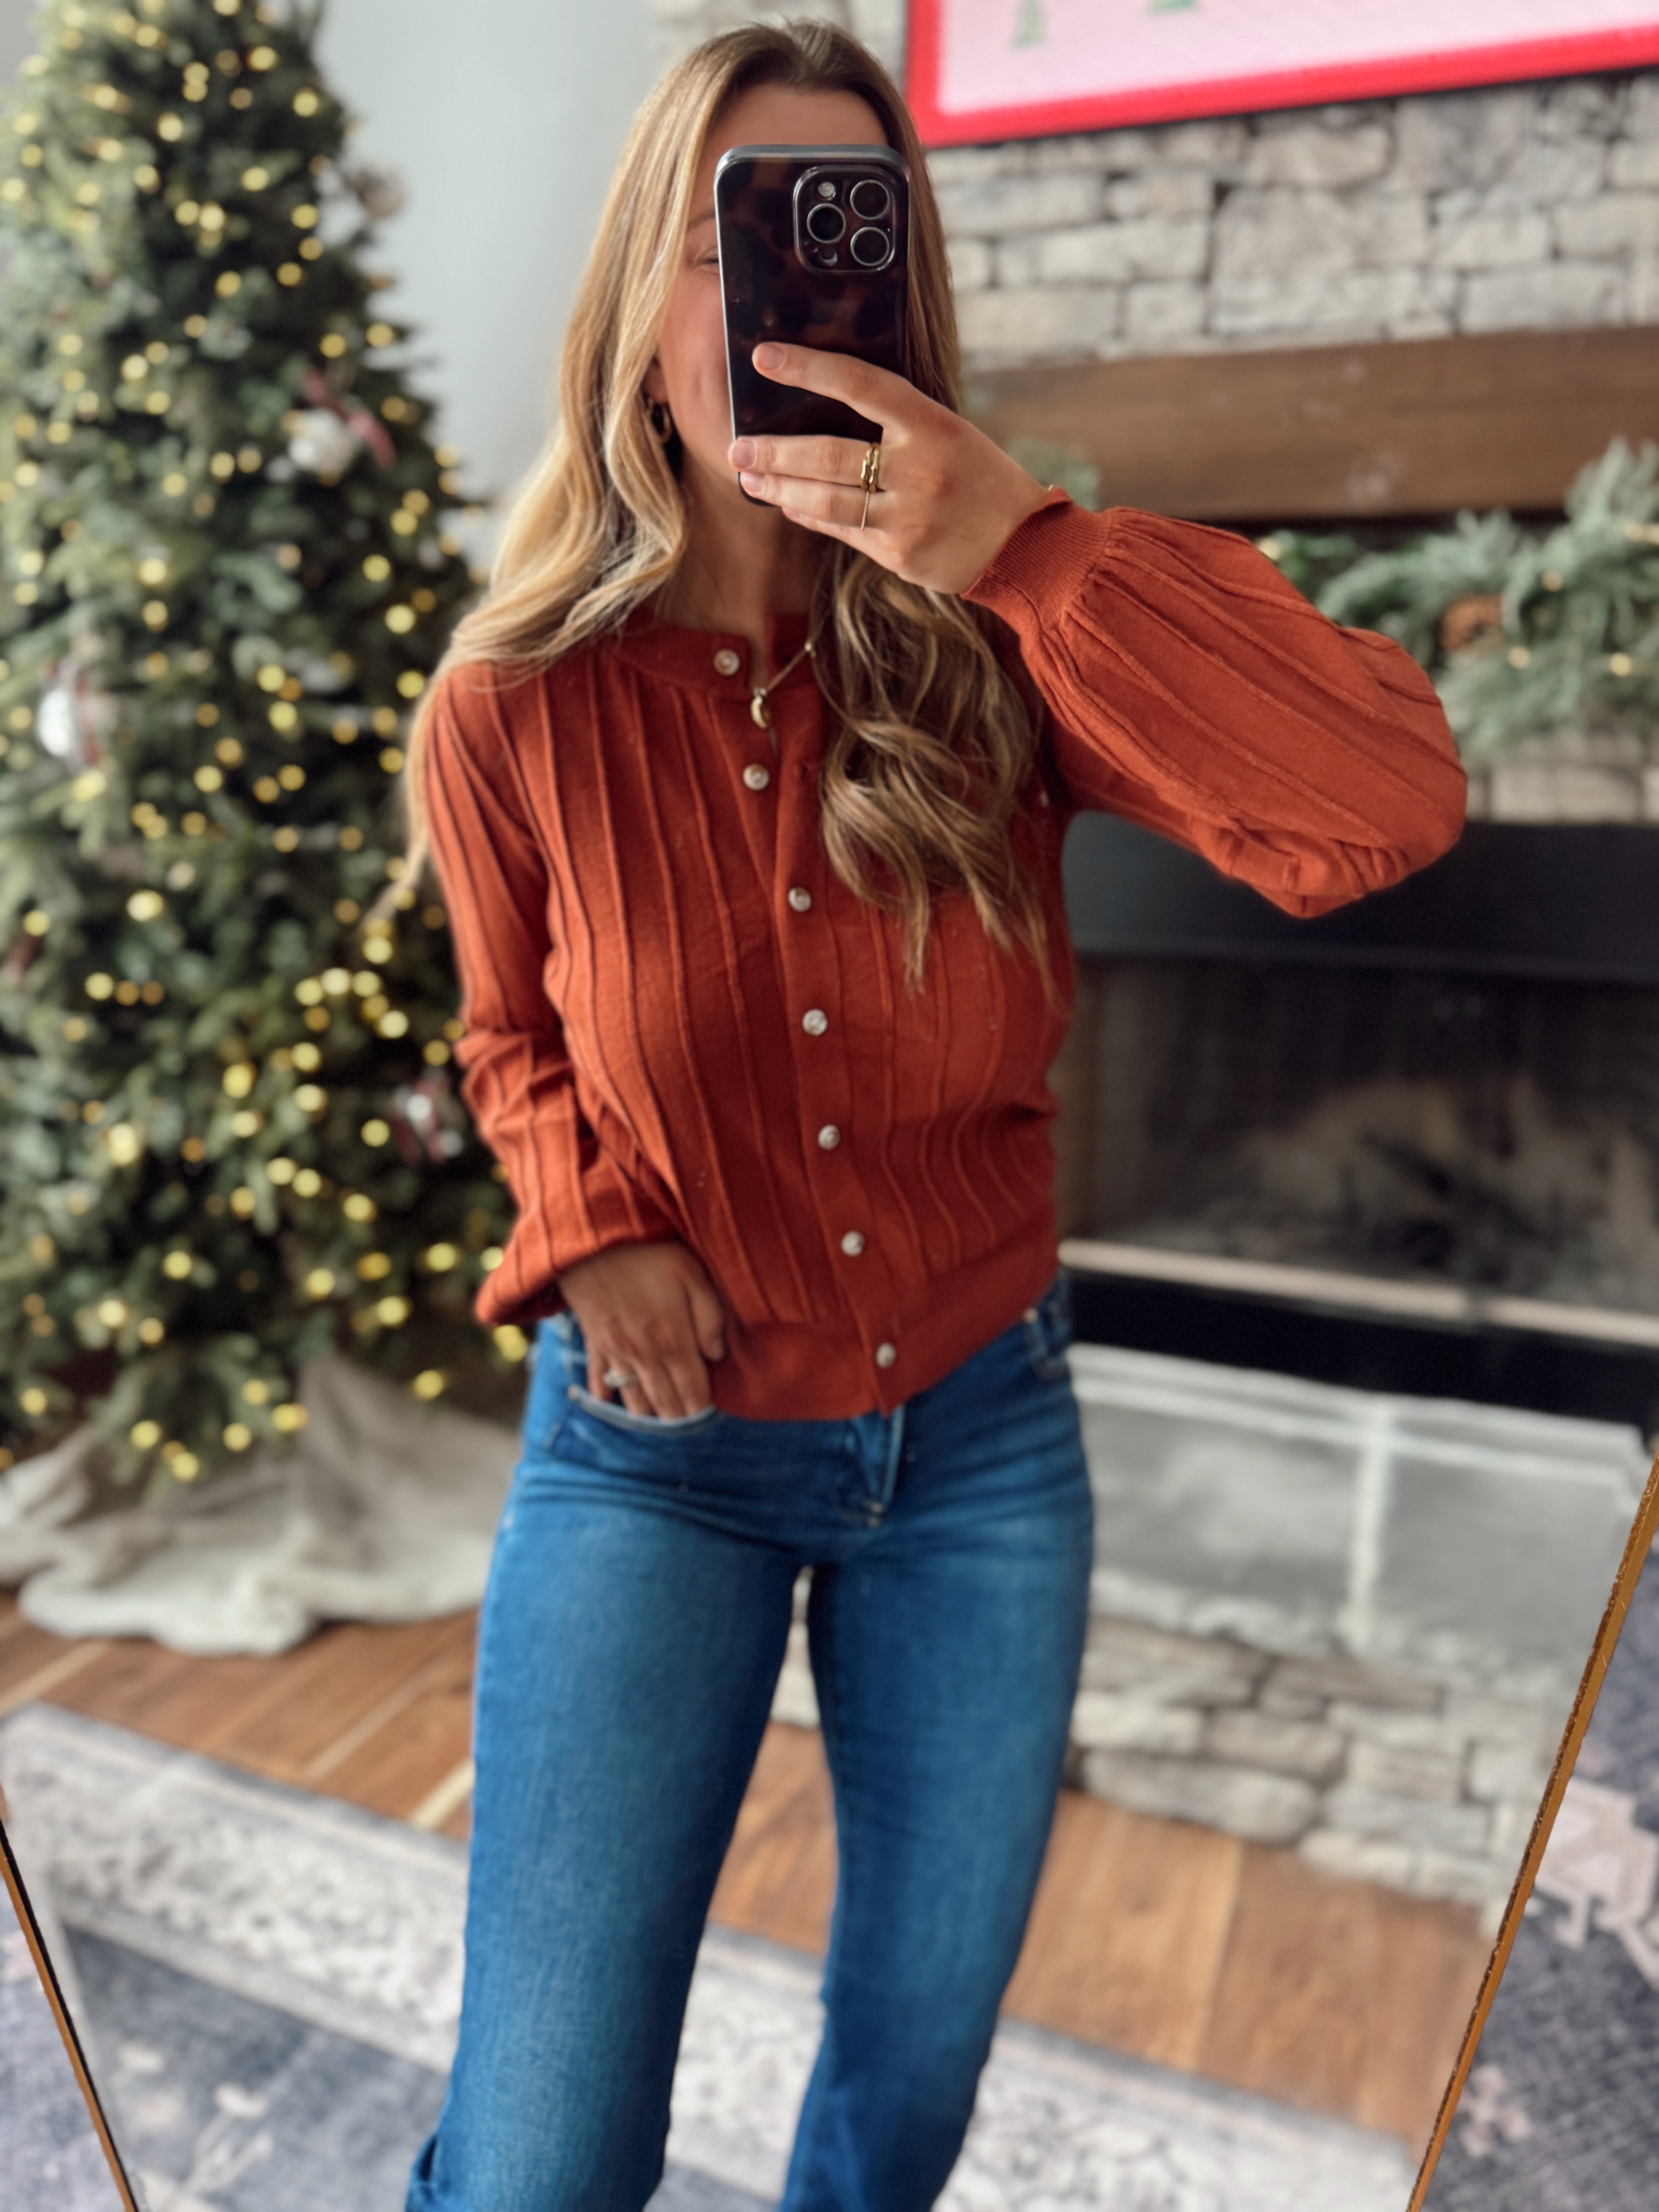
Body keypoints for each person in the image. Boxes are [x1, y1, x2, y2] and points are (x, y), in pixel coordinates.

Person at [398, 21, 1466, 2212]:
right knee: (541, 2160)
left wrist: (1031, 554)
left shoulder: (1006, 646)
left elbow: (1388, 804)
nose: (784, 293)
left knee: (906, 2103)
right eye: (734, 239)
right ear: (639, 297)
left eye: (842, 235)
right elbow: (509, 1035)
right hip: (660, 1457)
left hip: (984, 1443)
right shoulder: (510, 703)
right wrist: (590, 1221)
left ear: (905, 289)